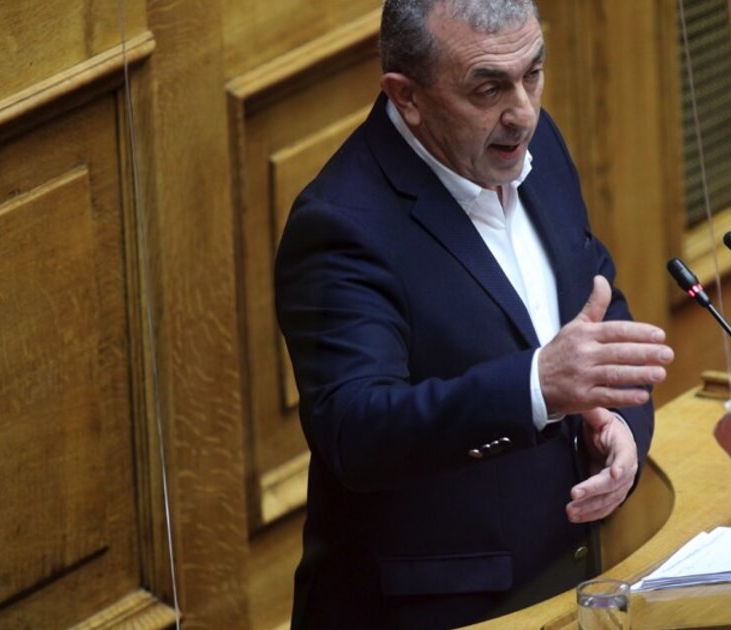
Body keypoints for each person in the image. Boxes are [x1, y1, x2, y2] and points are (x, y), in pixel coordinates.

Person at [274, 0, 673, 627]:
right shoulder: (342, 225)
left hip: (563, 588)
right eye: (488, 88)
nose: (523, 112)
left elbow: (594, 305)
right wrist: (536, 386)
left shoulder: (534, 148)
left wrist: (622, 425)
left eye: (533, 73)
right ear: (407, 97)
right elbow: (356, 430)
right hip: (432, 613)